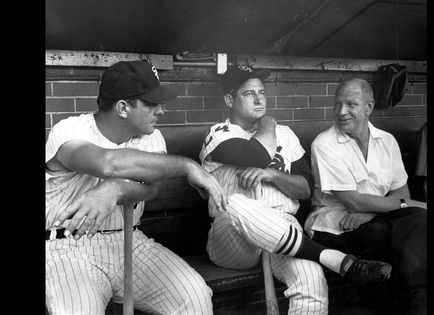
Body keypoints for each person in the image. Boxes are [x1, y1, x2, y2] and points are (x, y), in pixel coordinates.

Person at [199, 66, 393, 314]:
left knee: (312, 280)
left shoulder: (286, 134)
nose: (259, 99)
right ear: (229, 100)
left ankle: (329, 261)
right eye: (249, 94)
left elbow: (304, 189)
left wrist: (272, 175)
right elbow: (256, 155)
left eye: (262, 92)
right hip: (233, 236)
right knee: (235, 202)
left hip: (284, 227)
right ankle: (338, 260)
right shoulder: (219, 133)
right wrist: (268, 123)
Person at [45, 60, 228, 315]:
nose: (161, 111)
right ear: (123, 107)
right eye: (152, 103)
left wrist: (116, 190)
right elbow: (107, 164)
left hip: (130, 240)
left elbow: (149, 188)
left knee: (194, 297)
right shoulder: (69, 130)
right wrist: (188, 166)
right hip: (67, 247)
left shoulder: (151, 137)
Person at [304, 78, 427, 315]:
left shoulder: (387, 141)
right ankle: (405, 302)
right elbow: (352, 201)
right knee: (385, 233)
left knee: (419, 221)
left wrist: (369, 212)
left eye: (351, 104)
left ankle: (418, 301)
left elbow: (401, 192)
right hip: (332, 225)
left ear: (369, 107)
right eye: (337, 104)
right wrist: (377, 209)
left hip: (373, 218)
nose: (341, 112)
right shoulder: (325, 144)